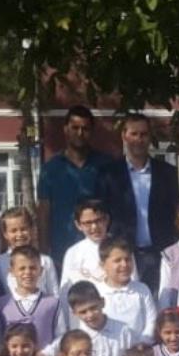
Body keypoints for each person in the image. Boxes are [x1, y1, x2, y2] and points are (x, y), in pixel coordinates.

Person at [96, 113, 179, 292]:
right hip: (123, 254)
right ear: (124, 136)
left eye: (143, 134)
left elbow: (176, 213)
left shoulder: (167, 173)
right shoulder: (108, 174)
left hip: (159, 253)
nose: (139, 139)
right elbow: (102, 214)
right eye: (134, 134)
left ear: (150, 137)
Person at [38, 106, 112, 262]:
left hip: (100, 250)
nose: (80, 133)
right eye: (75, 128)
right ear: (66, 129)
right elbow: (44, 212)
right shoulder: (50, 169)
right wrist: (44, 252)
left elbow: (114, 207)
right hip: (61, 251)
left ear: (92, 131)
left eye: (85, 129)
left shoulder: (106, 165)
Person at [43, 281, 141, 356]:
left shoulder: (123, 331)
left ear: (102, 302)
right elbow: (52, 349)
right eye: (83, 312)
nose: (90, 315)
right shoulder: (76, 336)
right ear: (74, 313)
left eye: (93, 308)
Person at [0, 245, 66, 350]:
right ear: (11, 271)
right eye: (22, 268)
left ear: (41, 271)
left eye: (32, 268)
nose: (27, 272)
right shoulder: (2, 304)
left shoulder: (53, 304)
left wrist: (46, 354)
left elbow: (61, 336)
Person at [0, 207, 60, 297]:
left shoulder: (45, 261)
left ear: (32, 229)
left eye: (23, 229)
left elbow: (54, 294)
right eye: (13, 231)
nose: (19, 234)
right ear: (5, 234)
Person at [95, 238, 156, 341]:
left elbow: (152, 321)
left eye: (128, 259)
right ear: (103, 265)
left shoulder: (142, 289)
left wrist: (142, 343)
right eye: (117, 260)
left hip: (139, 348)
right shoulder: (97, 293)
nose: (124, 264)